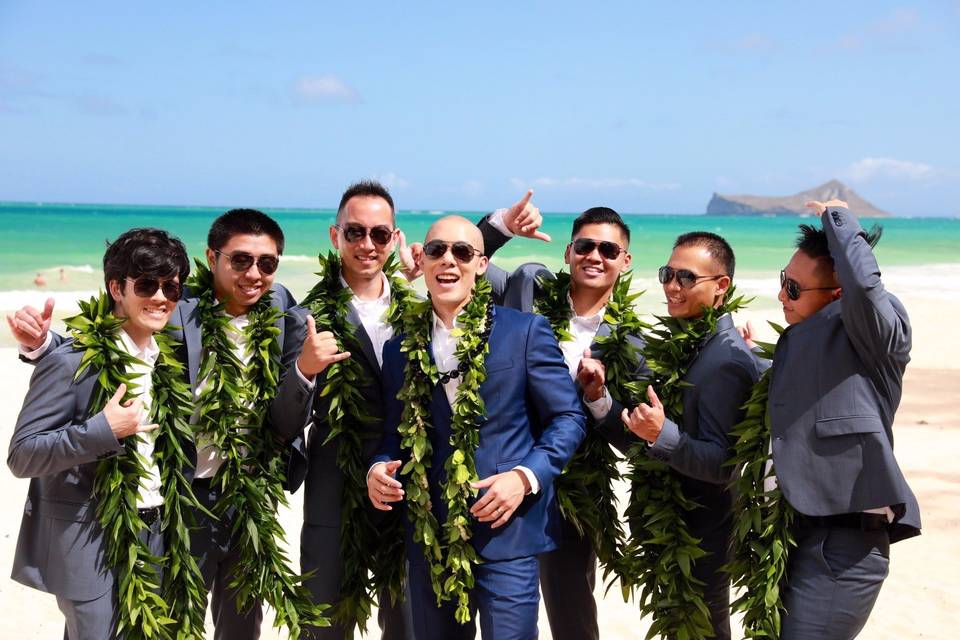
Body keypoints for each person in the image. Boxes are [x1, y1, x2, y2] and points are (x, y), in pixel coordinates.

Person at [10, 209, 320, 640]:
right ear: (213, 258)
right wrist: (43, 345)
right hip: (180, 496)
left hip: (244, 493)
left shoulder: (281, 305)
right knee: (170, 618)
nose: (254, 273)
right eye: (240, 260)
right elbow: (105, 339)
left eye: (267, 263)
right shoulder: (177, 305)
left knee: (242, 620)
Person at [367, 215, 586, 639]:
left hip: (508, 531)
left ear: (481, 264)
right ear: (423, 261)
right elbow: (393, 434)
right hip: (431, 538)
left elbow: (568, 418)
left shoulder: (524, 331)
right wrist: (378, 468)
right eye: (436, 250)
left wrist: (525, 478)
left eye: (462, 252)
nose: (448, 260)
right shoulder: (398, 347)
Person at [8, 227, 189, 639]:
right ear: (116, 288)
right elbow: (22, 455)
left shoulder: (167, 360)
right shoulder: (72, 361)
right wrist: (100, 431)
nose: (160, 298)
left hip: (156, 533)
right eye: (146, 284)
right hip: (89, 538)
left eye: (171, 288)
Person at [478, 206, 646, 640]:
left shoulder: (632, 342)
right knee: (494, 607)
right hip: (500, 473)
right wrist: (500, 228)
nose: (595, 255)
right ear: (569, 251)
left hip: (576, 489)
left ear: (625, 261)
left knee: (571, 612)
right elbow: (465, 263)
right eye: (585, 245)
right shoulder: (530, 287)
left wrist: (598, 398)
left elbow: (631, 440)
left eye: (608, 249)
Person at [760, 200, 920, 639]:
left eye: (793, 288)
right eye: (782, 281)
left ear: (837, 295)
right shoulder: (806, 341)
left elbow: (865, 288)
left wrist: (839, 219)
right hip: (799, 532)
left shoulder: (875, 333)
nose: (781, 296)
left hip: (846, 548)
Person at [618, 231, 761, 640]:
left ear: (721, 287)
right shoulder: (700, 343)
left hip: (704, 532)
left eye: (686, 277)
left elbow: (723, 464)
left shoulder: (726, 360)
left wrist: (663, 435)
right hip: (680, 526)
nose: (671, 286)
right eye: (668, 274)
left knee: (705, 628)